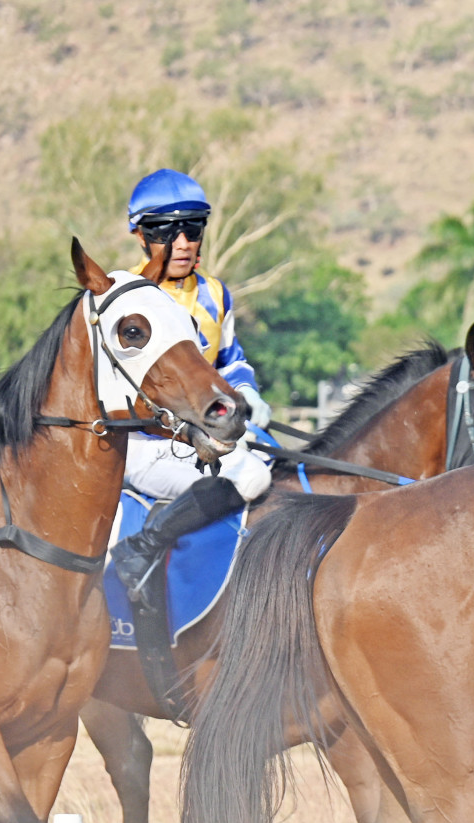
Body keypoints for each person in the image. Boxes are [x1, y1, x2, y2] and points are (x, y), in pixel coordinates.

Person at [107, 168, 274, 600]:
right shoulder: (124, 297)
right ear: (140, 236)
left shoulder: (216, 293)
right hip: (141, 443)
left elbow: (230, 360)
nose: (182, 242)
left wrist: (247, 393)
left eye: (192, 228)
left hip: (201, 436)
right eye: (166, 230)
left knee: (277, 463)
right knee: (251, 477)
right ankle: (140, 550)